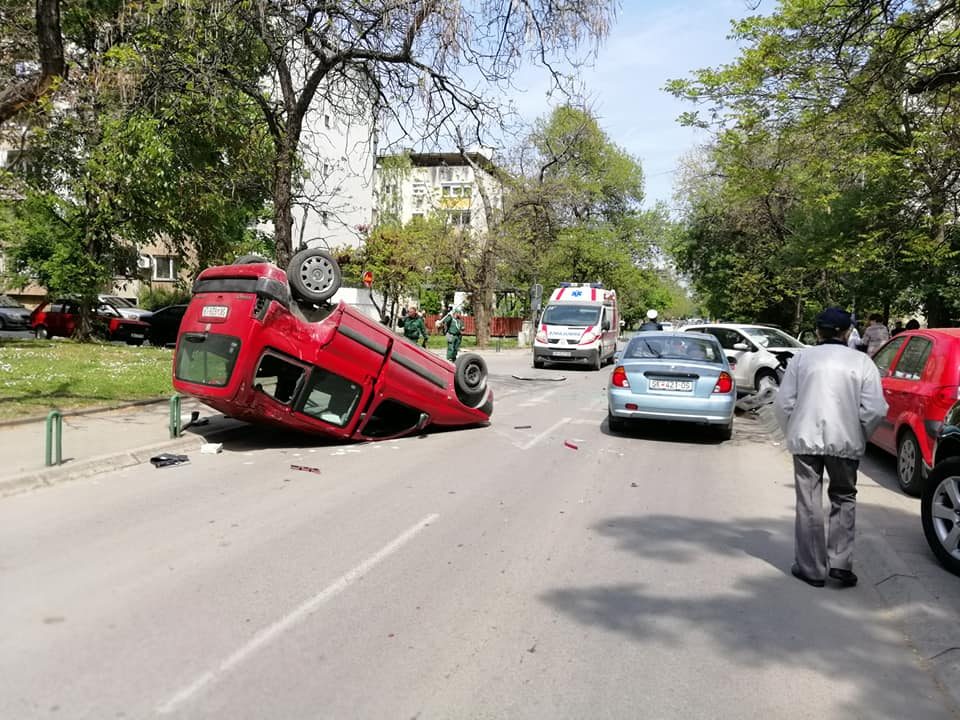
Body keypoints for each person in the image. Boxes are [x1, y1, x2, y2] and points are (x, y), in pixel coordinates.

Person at [774, 306, 888, 588]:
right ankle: (840, 563)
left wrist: (793, 432)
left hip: (805, 440)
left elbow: (783, 403)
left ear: (817, 331)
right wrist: (860, 434)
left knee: (808, 501)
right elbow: (875, 409)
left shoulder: (802, 359)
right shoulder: (862, 363)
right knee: (844, 496)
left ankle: (811, 568)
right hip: (846, 441)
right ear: (847, 332)